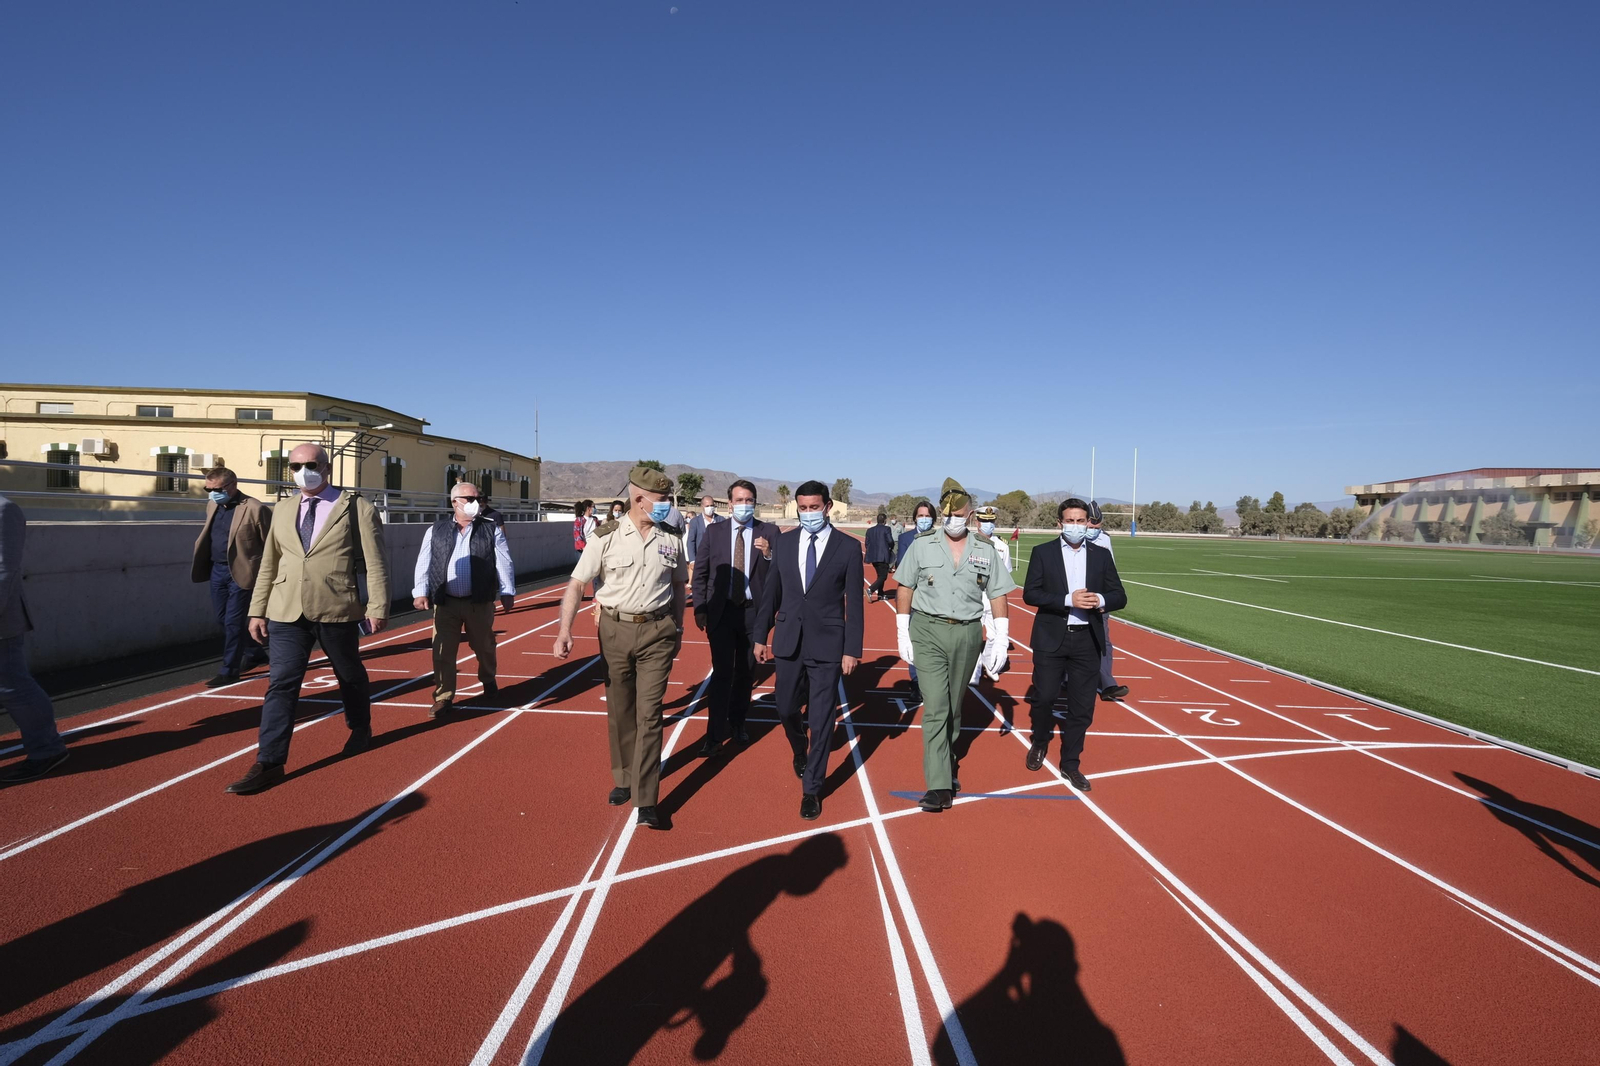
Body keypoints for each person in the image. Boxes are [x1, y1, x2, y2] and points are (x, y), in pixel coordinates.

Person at [231, 443, 390, 795]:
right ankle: (269, 761)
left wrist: (377, 605)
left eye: (311, 464)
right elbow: (269, 562)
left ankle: (360, 727)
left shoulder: (356, 508)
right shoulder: (283, 509)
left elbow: (376, 562)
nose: (304, 470)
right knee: (282, 681)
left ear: (327, 467)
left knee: (348, 674)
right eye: (295, 466)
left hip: (335, 607)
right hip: (285, 610)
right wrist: (257, 609)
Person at [554, 465, 687, 831]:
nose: (667, 506)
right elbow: (577, 583)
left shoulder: (672, 537)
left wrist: (679, 628)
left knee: (650, 713)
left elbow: (679, 587)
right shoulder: (605, 536)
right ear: (639, 499)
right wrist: (565, 629)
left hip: (658, 630)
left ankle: (647, 799)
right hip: (614, 629)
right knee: (620, 708)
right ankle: (624, 776)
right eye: (662, 500)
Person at [893, 478, 1014, 813]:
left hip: (967, 634)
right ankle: (939, 785)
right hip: (928, 630)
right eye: (946, 513)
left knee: (954, 707)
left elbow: (998, 594)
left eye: (957, 513)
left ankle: (948, 757)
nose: (951, 519)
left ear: (970, 513)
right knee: (935, 707)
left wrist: (1001, 637)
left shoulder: (985, 549)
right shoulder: (922, 545)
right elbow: (904, 587)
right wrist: (903, 630)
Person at [754, 481, 862, 822]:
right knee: (786, 708)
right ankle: (799, 748)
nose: (809, 513)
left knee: (822, 718)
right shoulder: (783, 543)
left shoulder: (847, 548)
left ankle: (812, 788)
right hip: (788, 640)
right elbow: (772, 591)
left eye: (815, 507)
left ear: (828, 507)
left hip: (828, 644)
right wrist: (761, 635)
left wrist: (852, 649)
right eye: (803, 508)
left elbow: (855, 604)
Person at [1022, 498, 1128, 791]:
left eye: (1081, 521)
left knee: (1082, 708)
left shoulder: (1101, 555)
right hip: (1051, 638)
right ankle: (1040, 741)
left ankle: (1071, 764)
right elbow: (1031, 594)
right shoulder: (1042, 553)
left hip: (1087, 641)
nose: (1076, 526)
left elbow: (1120, 595)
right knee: (1043, 698)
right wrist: (1068, 600)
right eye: (1070, 521)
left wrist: (1101, 600)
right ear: (1059, 523)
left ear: (1088, 523)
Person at [412, 482, 517, 719]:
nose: (474, 503)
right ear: (454, 502)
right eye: (469, 499)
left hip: (478, 601)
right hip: (445, 603)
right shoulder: (435, 530)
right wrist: (420, 591)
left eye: (477, 498)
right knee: (443, 651)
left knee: (484, 646)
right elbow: (423, 561)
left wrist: (507, 591)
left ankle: (488, 679)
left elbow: (504, 560)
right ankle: (443, 696)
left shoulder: (491, 529)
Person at [691, 480, 779, 756]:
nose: (744, 505)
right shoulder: (715, 532)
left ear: (755, 503)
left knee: (746, 673)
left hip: (754, 614)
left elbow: (779, 575)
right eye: (739, 500)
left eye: (749, 500)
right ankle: (714, 736)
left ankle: (739, 722)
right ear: (729, 504)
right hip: (722, 612)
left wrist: (768, 554)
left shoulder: (770, 532)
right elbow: (701, 573)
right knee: (722, 674)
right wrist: (700, 608)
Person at [0, 494, 68, 784]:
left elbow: (4, 569)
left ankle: (47, 749)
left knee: (12, 685)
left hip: (3, 618)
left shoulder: (4, 510)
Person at [190, 467, 272, 686]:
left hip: (243, 572)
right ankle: (255, 652)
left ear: (232, 485)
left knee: (234, 622)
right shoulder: (212, 505)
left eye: (216, 488)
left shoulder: (255, 508)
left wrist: (265, 574)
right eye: (207, 488)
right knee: (222, 619)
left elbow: (271, 543)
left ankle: (229, 670)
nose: (212, 493)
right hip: (217, 569)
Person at [1086, 500, 1129, 701]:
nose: (1094, 530)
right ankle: (1064, 677)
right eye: (1090, 527)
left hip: (1098, 599)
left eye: (1097, 527)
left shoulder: (1105, 540)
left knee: (1103, 642)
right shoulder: (1068, 540)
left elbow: (1109, 572)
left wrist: (1106, 600)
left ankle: (1107, 685)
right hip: (1073, 599)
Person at [894, 499, 937, 698]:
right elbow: (904, 568)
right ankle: (916, 682)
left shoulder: (941, 538)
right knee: (914, 641)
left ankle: (933, 680)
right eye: (920, 515)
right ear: (914, 518)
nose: (924, 519)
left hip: (936, 598)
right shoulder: (906, 538)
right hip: (913, 598)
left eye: (928, 516)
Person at [969, 505, 1013, 683]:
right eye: (985, 521)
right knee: (973, 636)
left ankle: (988, 663)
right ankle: (974, 670)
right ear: (977, 522)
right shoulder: (969, 543)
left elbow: (1006, 575)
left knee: (994, 636)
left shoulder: (1002, 546)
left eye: (991, 521)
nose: (989, 524)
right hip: (972, 598)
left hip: (993, 599)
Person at [684, 494, 720, 603]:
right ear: (702, 506)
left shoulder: (721, 520)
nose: (710, 508)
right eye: (707, 505)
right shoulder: (695, 521)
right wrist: (692, 559)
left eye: (712, 505)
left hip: (717, 560)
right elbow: (691, 541)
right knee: (700, 585)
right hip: (700, 560)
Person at [864, 509, 896, 602]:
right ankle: (870, 590)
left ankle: (881, 594)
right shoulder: (887, 529)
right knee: (883, 576)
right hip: (883, 556)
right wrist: (890, 548)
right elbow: (890, 541)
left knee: (880, 575)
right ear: (885, 521)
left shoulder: (870, 530)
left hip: (873, 557)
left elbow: (867, 543)